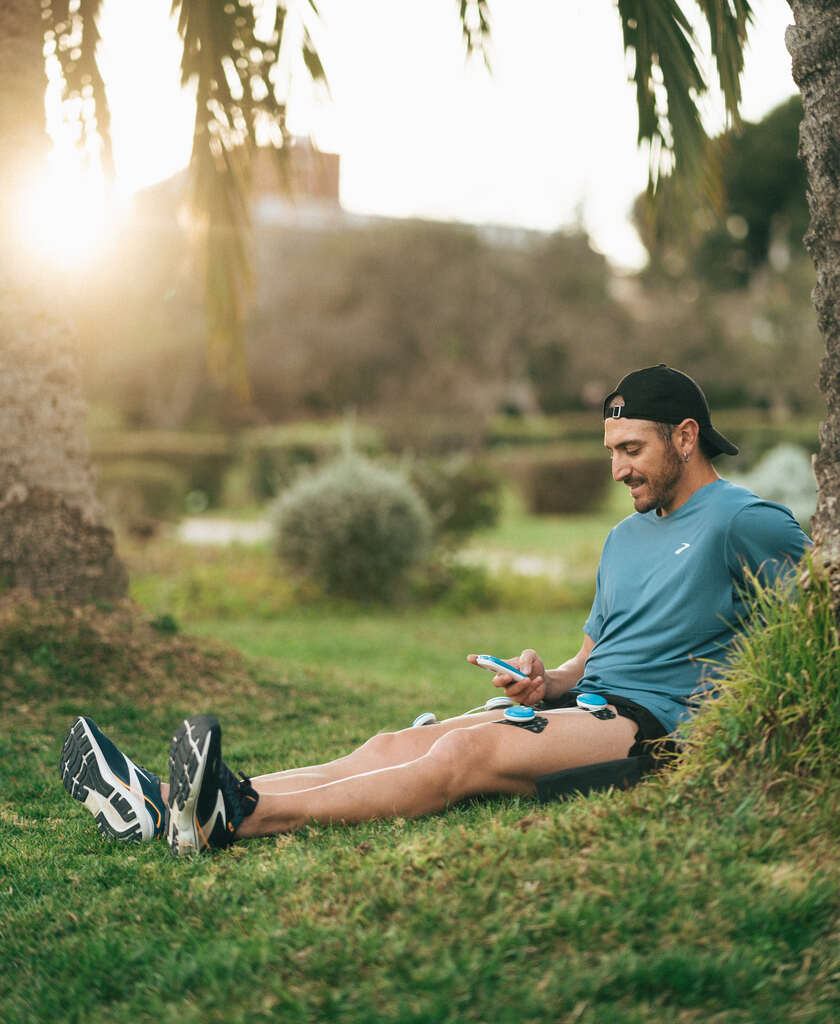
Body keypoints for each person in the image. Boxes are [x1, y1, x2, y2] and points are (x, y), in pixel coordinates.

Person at [59, 364, 811, 857]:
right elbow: (591, 659)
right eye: (611, 449)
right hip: (589, 703)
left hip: (649, 730)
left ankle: (236, 815)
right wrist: (542, 680)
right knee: (393, 741)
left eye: (632, 449)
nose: (617, 469)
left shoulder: (746, 521)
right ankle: (165, 806)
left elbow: (811, 629)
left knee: (457, 756)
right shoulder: (622, 538)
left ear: (685, 436)